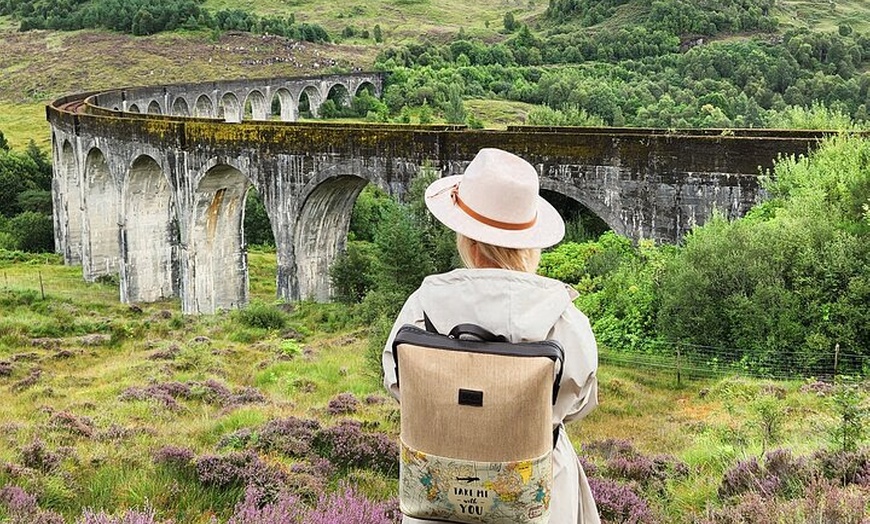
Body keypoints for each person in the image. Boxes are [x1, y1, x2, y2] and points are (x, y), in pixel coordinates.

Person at [382, 147, 600, 523]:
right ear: (530, 243)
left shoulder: (422, 304)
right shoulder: (562, 316)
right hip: (535, 492)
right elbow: (579, 403)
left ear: (467, 240)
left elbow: (397, 383)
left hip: (438, 493)